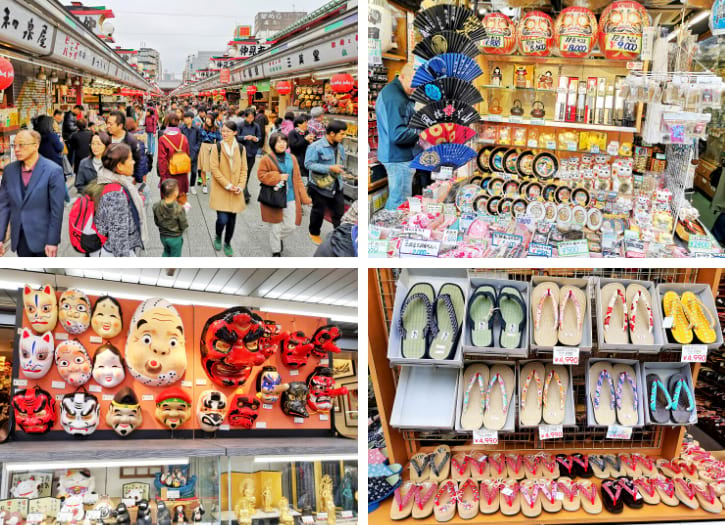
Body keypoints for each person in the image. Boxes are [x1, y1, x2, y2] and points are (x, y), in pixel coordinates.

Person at [0, 129, 64, 256]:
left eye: (22, 145)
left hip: (43, 238)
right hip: (20, 237)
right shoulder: (9, 171)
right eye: (14, 145)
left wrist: (52, 241)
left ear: (36, 145)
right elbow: (3, 206)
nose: (17, 149)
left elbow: (57, 210)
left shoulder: (53, 171)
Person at [87, 142, 147, 257]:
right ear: (119, 166)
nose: (133, 162)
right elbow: (119, 242)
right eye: (130, 159)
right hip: (114, 252)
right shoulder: (116, 195)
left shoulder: (109, 178)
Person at [257, 132, 311, 257]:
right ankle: (276, 250)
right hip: (274, 197)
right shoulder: (266, 159)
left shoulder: (291, 158)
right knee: (275, 226)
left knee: (290, 226)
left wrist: (305, 198)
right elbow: (261, 176)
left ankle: (275, 238)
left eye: (284, 141)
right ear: (272, 144)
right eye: (278, 142)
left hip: (290, 196)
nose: (282, 144)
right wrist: (278, 177)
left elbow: (297, 179)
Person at [375, 63, 420, 210]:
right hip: (398, 158)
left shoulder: (398, 93)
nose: (415, 87)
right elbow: (397, 134)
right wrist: (422, 131)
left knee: (398, 198)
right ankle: (388, 232)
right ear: (402, 76)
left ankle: (387, 229)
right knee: (399, 201)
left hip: (398, 156)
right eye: (413, 82)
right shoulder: (395, 98)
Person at [304, 120, 348, 245]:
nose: (343, 136)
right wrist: (329, 168)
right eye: (342, 134)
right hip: (320, 185)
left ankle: (338, 235)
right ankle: (314, 232)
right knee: (319, 211)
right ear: (332, 133)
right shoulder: (315, 146)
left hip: (337, 183)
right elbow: (308, 164)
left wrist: (341, 170)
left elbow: (341, 162)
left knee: (339, 212)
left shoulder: (340, 147)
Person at [209, 120, 247, 256]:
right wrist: (227, 184)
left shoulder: (241, 148)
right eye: (223, 131)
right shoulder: (217, 147)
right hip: (221, 189)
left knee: (232, 220)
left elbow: (244, 169)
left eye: (227, 131)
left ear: (235, 133)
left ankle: (228, 242)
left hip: (236, 190)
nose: (224, 133)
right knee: (222, 219)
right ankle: (218, 235)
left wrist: (240, 186)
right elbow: (214, 169)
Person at [157, 114, 191, 206]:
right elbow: (187, 155)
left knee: (168, 203)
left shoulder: (163, 139)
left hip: (169, 175)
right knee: (180, 202)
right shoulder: (183, 137)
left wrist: (163, 178)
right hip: (182, 174)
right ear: (178, 123)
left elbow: (162, 160)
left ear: (167, 123)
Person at [153, 178, 188, 257]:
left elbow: (156, 221)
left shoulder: (156, 206)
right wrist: (183, 229)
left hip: (163, 236)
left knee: (166, 250)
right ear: (175, 193)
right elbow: (183, 224)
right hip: (175, 237)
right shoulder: (179, 208)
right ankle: (171, 269)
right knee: (175, 255)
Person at [106, 110, 143, 184]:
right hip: (108, 178)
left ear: (120, 126)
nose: (107, 126)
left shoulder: (131, 140)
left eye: (110, 124)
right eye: (107, 123)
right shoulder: (106, 138)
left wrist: (136, 178)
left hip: (125, 179)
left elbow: (138, 160)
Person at [238, 110, 262, 203]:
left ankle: (244, 190)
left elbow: (260, 137)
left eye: (252, 117)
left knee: (247, 173)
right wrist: (245, 137)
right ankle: (244, 193)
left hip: (252, 152)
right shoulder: (240, 125)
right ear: (245, 116)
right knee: (242, 172)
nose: (250, 119)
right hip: (242, 152)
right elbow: (236, 137)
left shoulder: (256, 126)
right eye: (249, 117)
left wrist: (255, 138)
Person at [198, 114, 220, 195]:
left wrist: (216, 143)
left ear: (212, 120)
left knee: (213, 168)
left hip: (213, 148)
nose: (207, 120)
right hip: (203, 147)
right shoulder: (202, 127)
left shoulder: (216, 128)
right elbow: (199, 137)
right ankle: (204, 185)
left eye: (209, 119)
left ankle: (215, 185)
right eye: (206, 118)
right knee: (203, 168)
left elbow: (219, 139)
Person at [180, 112, 202, 195]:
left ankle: (192, 186)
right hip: (183, 153)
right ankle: (185, 187)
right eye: (184, 118)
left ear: (192, 119)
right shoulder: (181, 128)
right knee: (184, 172)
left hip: (193, 152)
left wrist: (196, 149)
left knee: (194, 171)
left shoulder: (196, 128)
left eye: (187, 118)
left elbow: (199, 140)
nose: (185, 119)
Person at [287, 115, 314, 180]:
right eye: (305, 123)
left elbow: (308, 145)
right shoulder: (293, 133)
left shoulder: (306, 132)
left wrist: (311, 142)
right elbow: (293, 146)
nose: (307, 125)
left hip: (306, 159)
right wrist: (305, 140)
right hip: (297, 160)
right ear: (299, 124)